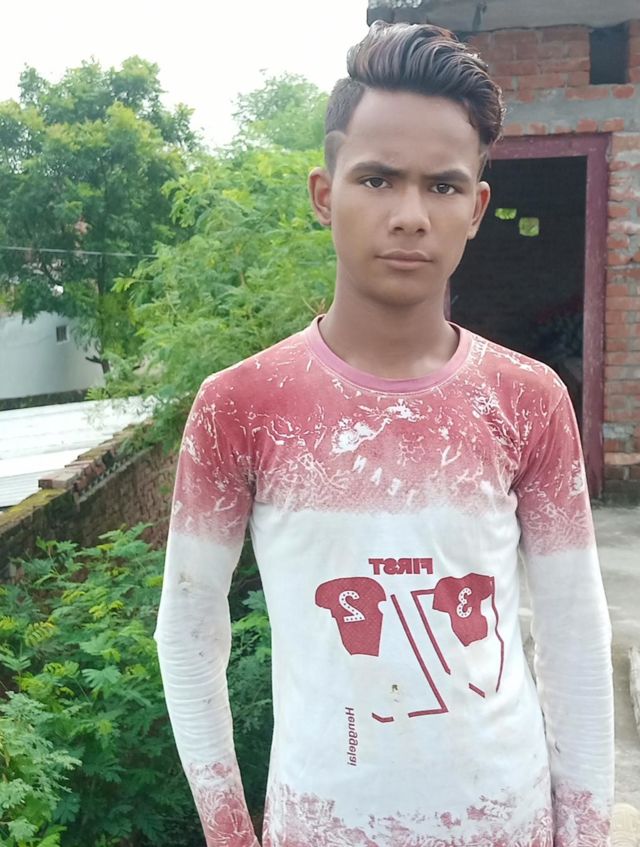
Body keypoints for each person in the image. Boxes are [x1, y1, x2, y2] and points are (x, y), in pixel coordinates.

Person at [154, 21, 614, 847]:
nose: (410, 215)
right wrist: (229, 832)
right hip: (321, 825)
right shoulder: (241, 405)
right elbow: (188, 636)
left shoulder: (529, 400)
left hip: (506, 822)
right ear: (324, 193)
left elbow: (575, 635)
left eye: (442, 186)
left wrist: (581, 834)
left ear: (476, 208)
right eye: (377, 179)